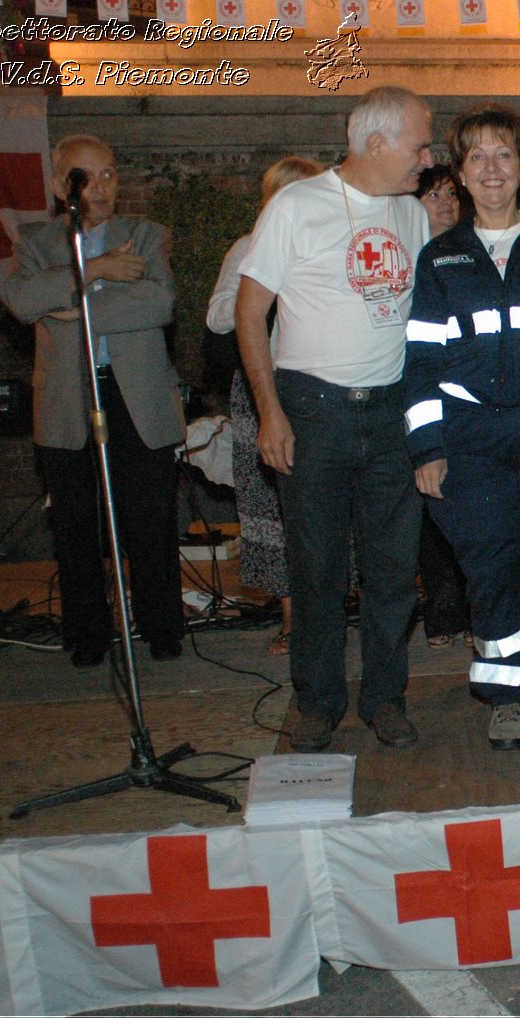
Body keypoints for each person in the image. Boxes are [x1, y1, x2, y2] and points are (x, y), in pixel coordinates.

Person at [235, 85, 432, 752]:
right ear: (375, 142)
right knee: (316, 568)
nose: (428, 158)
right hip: (312, 409)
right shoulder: (299, 204)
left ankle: (385, 698)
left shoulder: (412, 213)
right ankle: (317, 701)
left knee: (392, 571)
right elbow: (248, 310)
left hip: (391, 414)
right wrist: (269, 412)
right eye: (420, 144)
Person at [405, 105, 520, 751]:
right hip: (470, 439)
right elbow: (420, 360)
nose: (491, 168)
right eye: (476, 156)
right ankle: (506, 695)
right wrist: (427, 445)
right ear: (459, 173)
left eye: (503, 154)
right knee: (489, 566)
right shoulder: (440, 259)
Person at [0, 134, 186, 668]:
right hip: (66, 399)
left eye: (109, 174)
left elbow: (159, 303)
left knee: (150, 517)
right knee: (76, 523)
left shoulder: (146, 236)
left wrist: (65, 310)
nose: (101, 187)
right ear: (62, 187)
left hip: (136, 396)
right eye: (87, 177)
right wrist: (98, 272)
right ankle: (86, 633)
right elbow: (18, 299)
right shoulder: (35, 243)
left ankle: (162, 626)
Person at [207, 155, 326, 656]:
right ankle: (291, 618)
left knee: (323, 503)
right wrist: (265, 294)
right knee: (268, 508)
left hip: (322, 386)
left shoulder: (329, 246)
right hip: (263, 390)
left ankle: (329, 611)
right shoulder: (247, 249)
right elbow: (217, 318)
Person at [410, 163, 472, 654]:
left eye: (452, 193)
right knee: (429, 510)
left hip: (467, 401)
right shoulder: (407, 257)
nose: (446, 202)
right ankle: (441, 610)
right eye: (434, 194)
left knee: (468, 507)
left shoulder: (470, 252)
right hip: (418, 395)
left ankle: (475, 608)